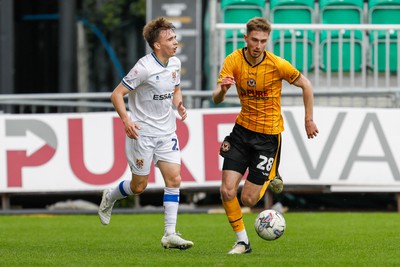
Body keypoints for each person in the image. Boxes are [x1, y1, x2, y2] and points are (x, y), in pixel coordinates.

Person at [212, 17, 319, 254]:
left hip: (268, 137)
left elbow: (306, 85)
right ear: (245, 38)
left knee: (249, 200)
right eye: (254, 40)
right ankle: (242, 241)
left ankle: (271, 175)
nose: (258, 45)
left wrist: (308, 119)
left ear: (267, 40)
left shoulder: (277, 64)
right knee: (227, 190)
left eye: (263, 41)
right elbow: (216, 97)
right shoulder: (233, 60)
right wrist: (223, 89)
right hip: (241, 132)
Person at [98, 17, 193, 250]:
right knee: (139, 186)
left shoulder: (175, 63)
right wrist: (126, 120)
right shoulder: (143, 68)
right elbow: (116, 95)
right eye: (170, 39)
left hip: (167, 132)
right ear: (157, 45)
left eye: (175, 37)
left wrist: (179, 104)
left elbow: (176, 88)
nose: (175, 42)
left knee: (174, 179)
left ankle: (170, 234)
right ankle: (110, 196)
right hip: (142, 134)